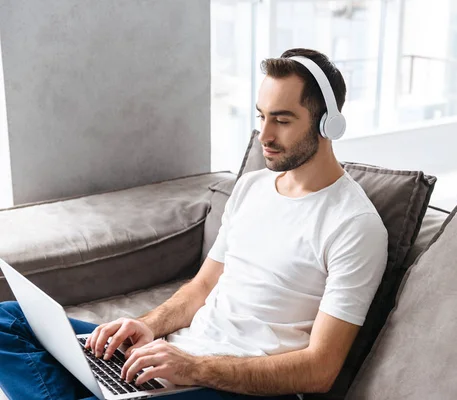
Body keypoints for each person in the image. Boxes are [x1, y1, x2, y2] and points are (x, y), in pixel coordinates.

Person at [0, 48, 388, 400]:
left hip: (239, 388)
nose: (264, 136)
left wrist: (193, 368)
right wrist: (146, 326)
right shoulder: (253, 186)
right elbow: (203, 285)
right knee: (9, 319)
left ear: (327, 125)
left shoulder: (353, 225)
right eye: (261, 116)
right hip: (177, 359)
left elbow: (320, 370)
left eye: (282, 121)